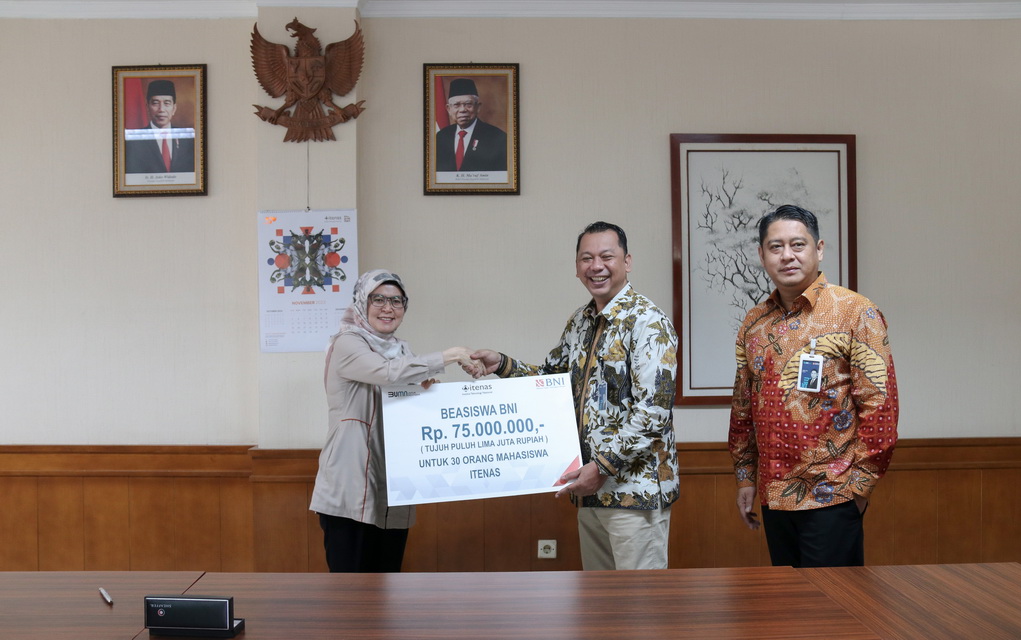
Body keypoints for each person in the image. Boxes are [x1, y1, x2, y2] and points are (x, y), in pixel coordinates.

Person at [471, 222, 679, 570]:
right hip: (589, 491)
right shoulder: (580, 322)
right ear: (577, 267)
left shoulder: (648, 321)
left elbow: (653, 412)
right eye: (586, 258)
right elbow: (551, 382)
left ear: (627, 262)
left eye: (606, 256)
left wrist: (602, 467)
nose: (596, 266)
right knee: (600, 599)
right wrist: (503, 364)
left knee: (639, 600)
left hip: (635, 493)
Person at [729, 204, 899, 567]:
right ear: (762, 255)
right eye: (775, 247)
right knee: (787, 600)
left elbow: (880, 407)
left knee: (833, 601)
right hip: (774, 495)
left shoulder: (855, 312)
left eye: (798, 244)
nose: (787, 255)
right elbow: (743, 408)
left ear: (818, 249)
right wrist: (745, 478)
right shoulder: (754, 323)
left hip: (833, 496)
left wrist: (859, 489)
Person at [309, 269, 482, 573]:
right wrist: (450, 355)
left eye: (396, 301)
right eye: (378, 299)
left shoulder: (403, 351)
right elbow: (386, 373)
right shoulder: (347, 342)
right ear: (362, 302)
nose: (387, 308)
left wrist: (427, 393)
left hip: (394, 483)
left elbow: (402, 393)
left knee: (388, 585)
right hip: (350, 482)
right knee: (350, 588)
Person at [435, 78, 507, 172]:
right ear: (449, 109)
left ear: (478, 107)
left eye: (468, 104)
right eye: (456, 105)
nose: (462, 110)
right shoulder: (441, 137)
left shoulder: (498, 138)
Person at [125, 79, 195, 174]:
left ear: (174, 108)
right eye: (155, 103)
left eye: (167, 103)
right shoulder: (134, 141)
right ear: (147, 107)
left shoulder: (188, 138)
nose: (161, 109)